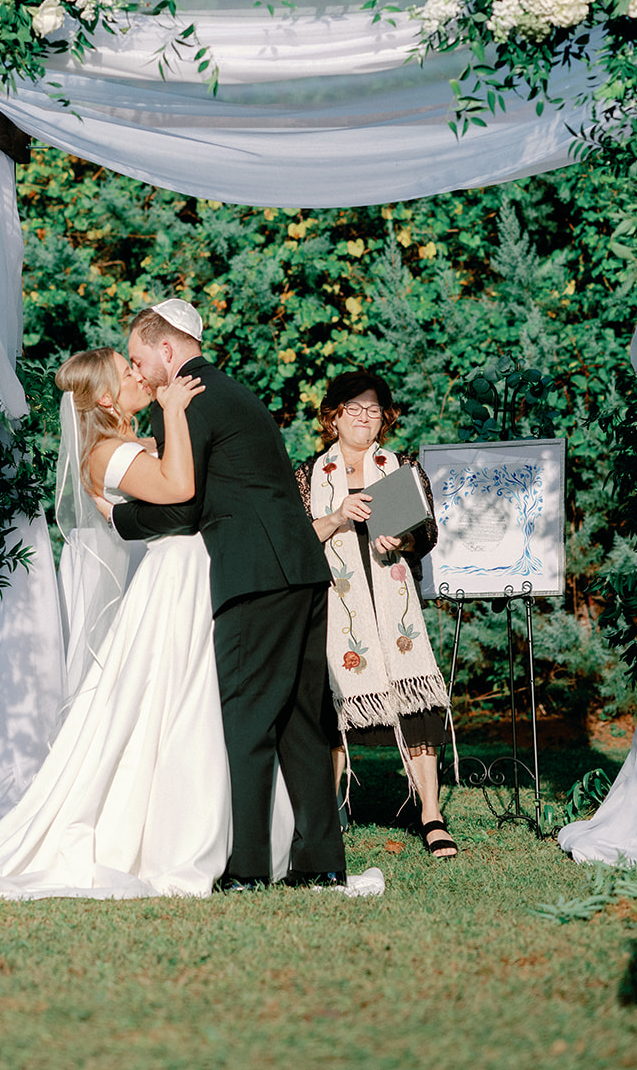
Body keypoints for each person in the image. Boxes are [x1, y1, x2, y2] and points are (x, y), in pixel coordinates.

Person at [0, 346, 238, 898]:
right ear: (106, 397)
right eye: (129, 370)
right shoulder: (108, 452)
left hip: (163, 594)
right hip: (144, 598)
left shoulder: (134, 443)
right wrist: (179, 414)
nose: (141, 374)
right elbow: (179, 487)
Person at [111, 299, 349, 890]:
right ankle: (321, 864)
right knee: (300, 719)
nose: (139, 373)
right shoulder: (235, 392)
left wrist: (119, 520)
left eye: (141, 359)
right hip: (301, 566)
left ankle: (245, 867)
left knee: (246, 717)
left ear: (168, 349)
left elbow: (183, 505)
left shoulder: (187, 400)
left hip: (255, 573)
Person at [294, 369, 457, 858]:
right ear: (333, 416)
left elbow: (425, 534)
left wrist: (401, 539)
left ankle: (430, 812)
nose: (364, 418)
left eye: (373, 409)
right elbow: (297, 540)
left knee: (417, 704)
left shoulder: (400, 466)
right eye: (353, 408)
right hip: (335, 605)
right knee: (333, 705)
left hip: (393, 602)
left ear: (385, 418)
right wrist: (340, 515)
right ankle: (332, 808)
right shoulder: (307, 475)